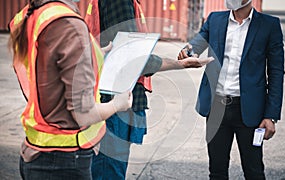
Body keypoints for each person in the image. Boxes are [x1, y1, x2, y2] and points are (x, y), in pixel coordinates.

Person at [85, 0, 213, 179]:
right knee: (108, 172)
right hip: (114, 103)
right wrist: (179, 64)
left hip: (107, 100)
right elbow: (132, 56)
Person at [8, 0, 133, 179]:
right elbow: (84, 113)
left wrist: (95, 53)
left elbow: (50, 65)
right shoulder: (69, 25)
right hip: (63, 159)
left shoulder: (42, 13)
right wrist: (117, 104)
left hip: (37, 149)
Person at [178, 0, 284, 179]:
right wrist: (188, 52)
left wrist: (270, 115)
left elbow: (276, 73)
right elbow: (196, 44)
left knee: (254, 171)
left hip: (250, 111)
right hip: (216, 107)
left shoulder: (269, 25)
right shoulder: (215, 19)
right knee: (217, 171)